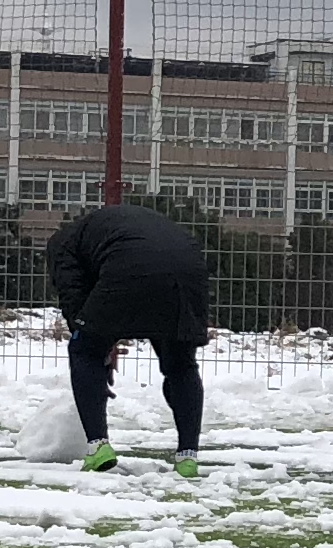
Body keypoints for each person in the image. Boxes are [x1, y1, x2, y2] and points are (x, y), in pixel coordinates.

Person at [46, 200, 210, 476]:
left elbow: (74, 299)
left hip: (127, 265)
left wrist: (95, 344)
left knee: (83, 350)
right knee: (181, 364)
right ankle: (187, 456)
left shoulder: (61, 246)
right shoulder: (109, 226)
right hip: (188, 269)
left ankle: (98, 446)